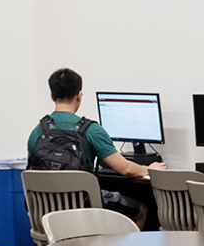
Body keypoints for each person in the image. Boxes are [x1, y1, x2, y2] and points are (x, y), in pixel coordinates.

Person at [28, 68, 165, 229]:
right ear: (79, 95)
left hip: (46, 215)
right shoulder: (90, 129)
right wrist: (148, 169)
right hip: (82, 212)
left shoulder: (37, 131)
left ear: (52, 96)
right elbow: (126, 169)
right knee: (140, 210)